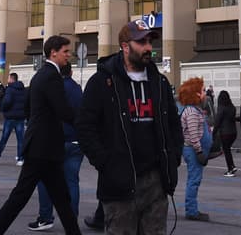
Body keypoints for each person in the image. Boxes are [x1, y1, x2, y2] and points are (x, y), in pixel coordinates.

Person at [76, 18, 181, 235]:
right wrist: (105, 163)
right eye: (142, 42)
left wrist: (173, 159)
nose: (149, 48)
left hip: (155, 182)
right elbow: (85, 127)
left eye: (150, 42)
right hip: (119, 180)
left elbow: (173, 125)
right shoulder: (102, 82)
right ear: (125, 47)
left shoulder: (159, 83)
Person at [0, 35, 82, 235]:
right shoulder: (51, 76)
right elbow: (63, 110)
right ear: (53, 52)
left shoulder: (40, 75)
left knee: (61, 199)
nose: (69, 55)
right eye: (66, 51)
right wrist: (87, 125)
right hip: (43, 149)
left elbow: (29, 107)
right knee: (20, 197)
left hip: (44, 148)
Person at [31, 56, 87, 231]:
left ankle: (45, 217)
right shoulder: (77, 89)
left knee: (45, 180)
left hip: (56, 141)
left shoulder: (53, 86)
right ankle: (71, 219)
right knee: (72, 181)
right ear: (70, 72)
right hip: (76, 141)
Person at [177, 77, 214, 221]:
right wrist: (199, 152)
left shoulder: (196, 110)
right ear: (196, 94)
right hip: (193, 151)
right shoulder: (192, 112)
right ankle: (191, 211)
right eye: (203, 90)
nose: (205, 93)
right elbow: (193, 134)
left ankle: (191, 209)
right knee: (194, 180)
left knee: (194, 179)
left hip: (196, 150)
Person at [0, 72, 28, 165]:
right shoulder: (23, 89)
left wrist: (3, 108)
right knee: (20, 139)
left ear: (11, 79)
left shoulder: (10, 89)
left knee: (4, 138)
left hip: (10, 117)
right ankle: (20, 158)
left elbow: (7, 101)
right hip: (20, 117)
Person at [213, 89, 239, 175]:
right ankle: (232, 166)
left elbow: (218, 121)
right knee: (227, 150)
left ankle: (230, 168)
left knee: (226, 150)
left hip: (225, 132)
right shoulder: (232, 107)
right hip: (233, 132)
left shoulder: (221, 108)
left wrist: (214, 132)